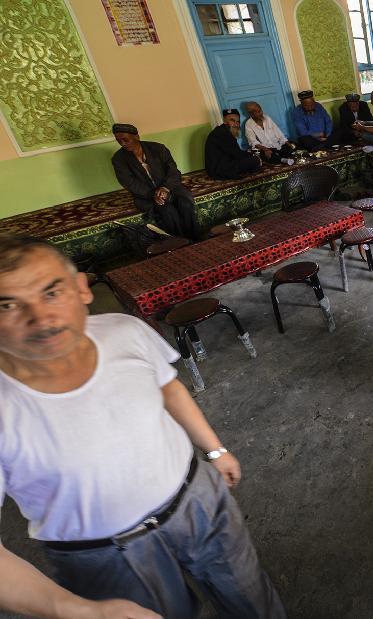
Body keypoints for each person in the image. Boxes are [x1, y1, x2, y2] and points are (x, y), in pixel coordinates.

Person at [0, 235, 286, 618]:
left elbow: (168, 388)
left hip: (197, 499)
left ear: (83, 289)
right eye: (7, 305)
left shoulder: (122, 331)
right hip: (106, 555)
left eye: (52, 292)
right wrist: (81, 611)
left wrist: (214, 449)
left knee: (253, 602)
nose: (42, 319)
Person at [111, 123, 201, 241]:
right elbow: (129, 183)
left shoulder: (158, 149)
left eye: (125, 139)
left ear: (137, 136)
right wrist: (154, 194)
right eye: (119, 141)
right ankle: (179, 242)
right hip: (146, 195)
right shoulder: (119, 159)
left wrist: (165, 188)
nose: (123, 143)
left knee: (185, 203)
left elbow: (173, 171)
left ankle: (195, 238)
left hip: (171, 188)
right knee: (167, 210)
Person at [204, 109, 262, 180]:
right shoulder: (222, 133)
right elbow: (236, 154)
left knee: (250, 158)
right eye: (232, 120)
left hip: (222, 165)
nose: (236, 124)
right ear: (225, 120)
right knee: (254, 160)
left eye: (238, 121)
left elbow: (234, 152)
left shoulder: (224, 131)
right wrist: (253, 155)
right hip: (218, 170)